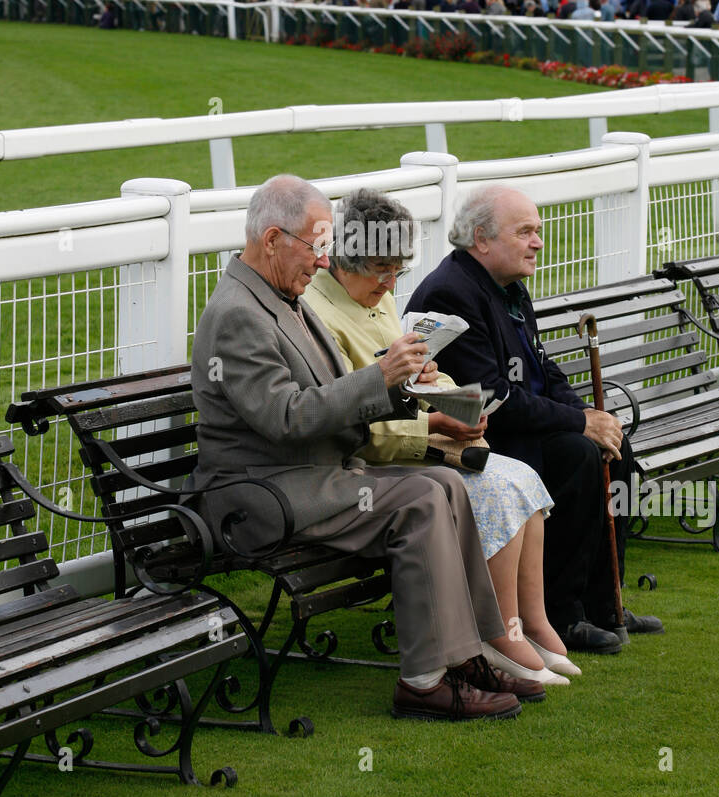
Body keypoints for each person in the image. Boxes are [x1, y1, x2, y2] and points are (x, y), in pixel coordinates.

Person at [190, 174, 535, 722]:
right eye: (317, 246)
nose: (324, 262)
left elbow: (327, 401)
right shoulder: (239, 314)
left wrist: (403, 387)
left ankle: (470, 652)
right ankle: (423, 682)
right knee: (422, 498)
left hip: (307, 477)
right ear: (273, 239)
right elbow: (286, 417)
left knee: (445, 483)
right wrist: (380, 378)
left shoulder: (281, 295)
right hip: (257, 496)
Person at [304, 189, 580, 686]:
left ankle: (530, 622)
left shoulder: (378, 298)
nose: (390, 284)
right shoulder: (320, 315)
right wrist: (433, 423)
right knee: (494, 485)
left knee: (520, 476)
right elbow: (353, 421)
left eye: (397, 271)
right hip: (369, 465)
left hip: (415, 447)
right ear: (342, 259)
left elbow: (421, 372)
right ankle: (494, 633)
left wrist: (458, 402)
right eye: (380, 270)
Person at [407, 185, 664, 653]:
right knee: (579, 454)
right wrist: (577, 425)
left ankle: (605, 601)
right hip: (481, 441)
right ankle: (562, 616)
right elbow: (491, 397)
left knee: (613, 446)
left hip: (524, 428)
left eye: (538, 232)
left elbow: (541, 368)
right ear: (481, 239)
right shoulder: (452, 292)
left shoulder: (508, 287)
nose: (538, 243)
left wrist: (586, 414)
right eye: (525, 231)